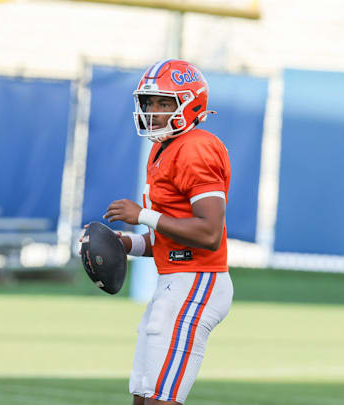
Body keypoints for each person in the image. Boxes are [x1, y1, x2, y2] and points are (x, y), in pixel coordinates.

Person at [102, 59, 234, 404]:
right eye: (149, 103)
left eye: (165, 103)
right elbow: (170, 236)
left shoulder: (196, 146)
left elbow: (208, 232)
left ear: (191, 103)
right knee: (143, 395)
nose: (154, 111)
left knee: (162, 398)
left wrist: (142, 214)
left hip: (197, 280)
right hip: (173, 280)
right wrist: (127, 242)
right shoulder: (163, 148)